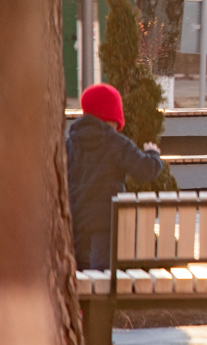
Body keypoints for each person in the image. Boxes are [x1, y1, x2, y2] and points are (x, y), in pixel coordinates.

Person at [67, 83, 164, 270]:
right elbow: (145, 171)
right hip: (106, 224)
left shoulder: (72, 143)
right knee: (102, 275)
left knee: (80, 274)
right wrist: (153, 155)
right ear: (114, 114)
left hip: (75, 219)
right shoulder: (117, 144)